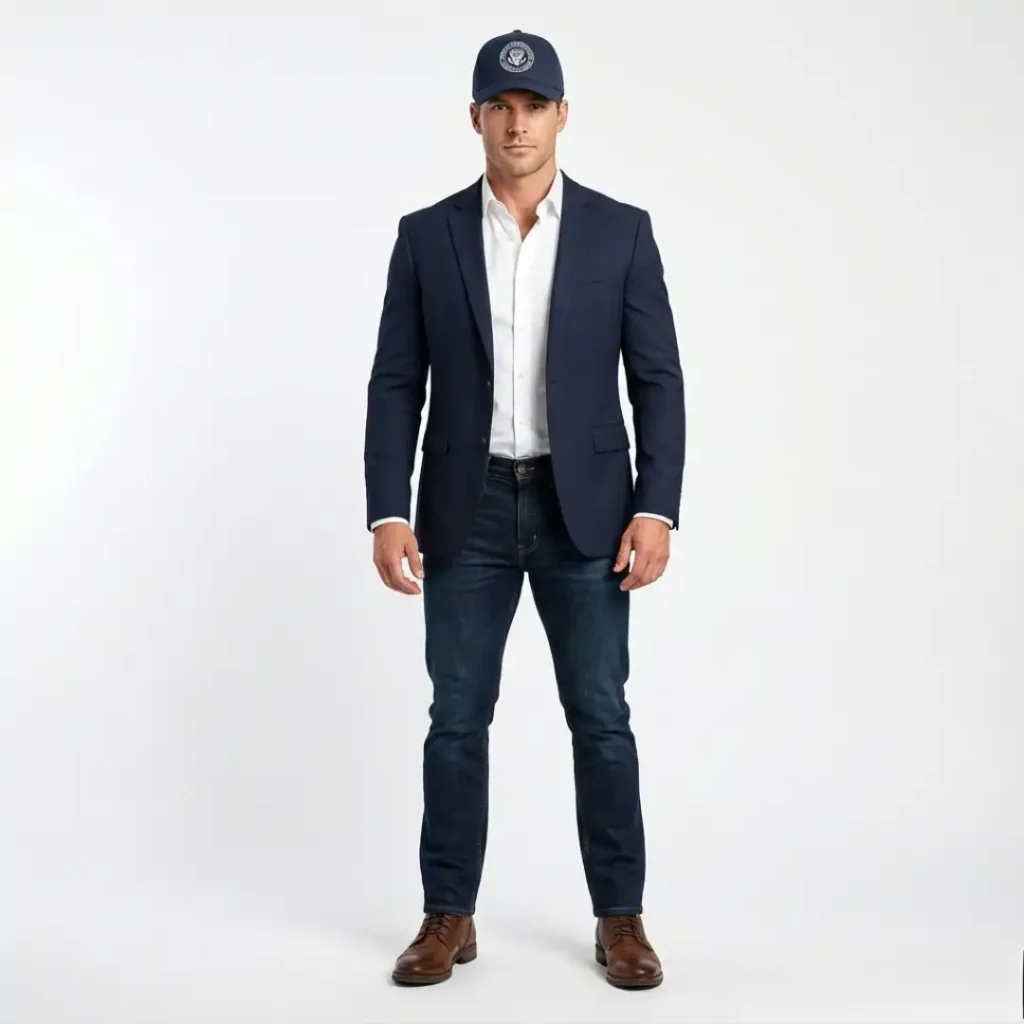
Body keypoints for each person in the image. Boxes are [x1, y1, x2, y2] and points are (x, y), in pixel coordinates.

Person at [363, 29, 685, 989]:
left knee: (602, 717)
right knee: (456, 719)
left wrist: (657, 507)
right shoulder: (427, 236)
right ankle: (448, 915)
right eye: (500, 108)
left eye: (534, 106)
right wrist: (386, 510)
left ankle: (621, 919)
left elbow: (657, 380)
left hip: (586, 512)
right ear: (475, 117)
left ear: (562, 116)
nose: (517, 124)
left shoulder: (621, 232)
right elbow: (396, 382)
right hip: (463, 511)